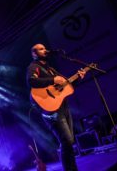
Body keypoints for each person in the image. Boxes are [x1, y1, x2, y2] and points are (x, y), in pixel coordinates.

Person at [26, 43, 86, 171]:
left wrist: (78, 77)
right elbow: (31, 81)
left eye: (44, 48)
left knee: (69, 141)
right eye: (41, 49)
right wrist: (53, 80)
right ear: (34, 54)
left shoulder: (51, 69)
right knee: (67, 141)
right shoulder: (34, 67)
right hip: (51, 108)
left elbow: (66, 86)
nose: (45, 50)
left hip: (63, 106)